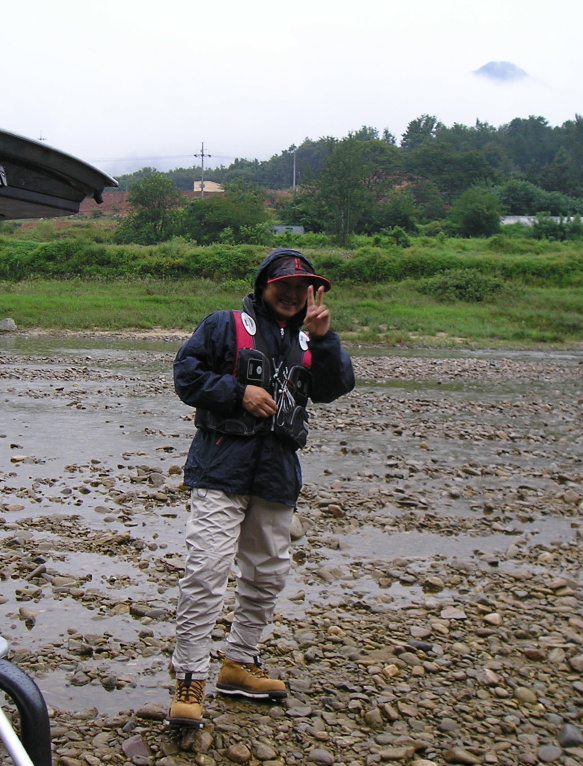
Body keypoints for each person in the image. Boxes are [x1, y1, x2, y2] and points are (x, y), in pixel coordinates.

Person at [167, 248, 355, 726]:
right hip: (221, 465)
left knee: (268, 572)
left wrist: (326, 338)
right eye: (283, 286)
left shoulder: (314, 341)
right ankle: (189, 674)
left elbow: (337, 387)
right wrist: (238, 393)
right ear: (263, 286)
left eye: (301, 288)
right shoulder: (223, 325)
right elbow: (186, 377)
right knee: (205, 570)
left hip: (277, 472)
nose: (291, 295)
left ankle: (238, 662)